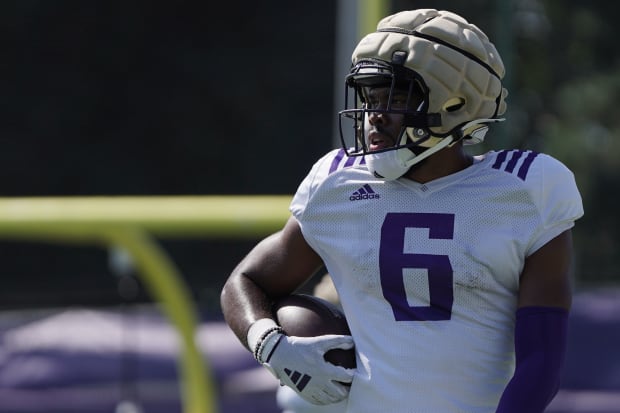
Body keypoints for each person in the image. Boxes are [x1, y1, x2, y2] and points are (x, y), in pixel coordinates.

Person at [220, 8, 584, 413]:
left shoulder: (524, 190)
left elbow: (542, 358)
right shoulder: (337, 184)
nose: (373, 115)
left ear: (455, 101)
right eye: (370, 97)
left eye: (394, 97)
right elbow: (247, 281)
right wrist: (269, 345)